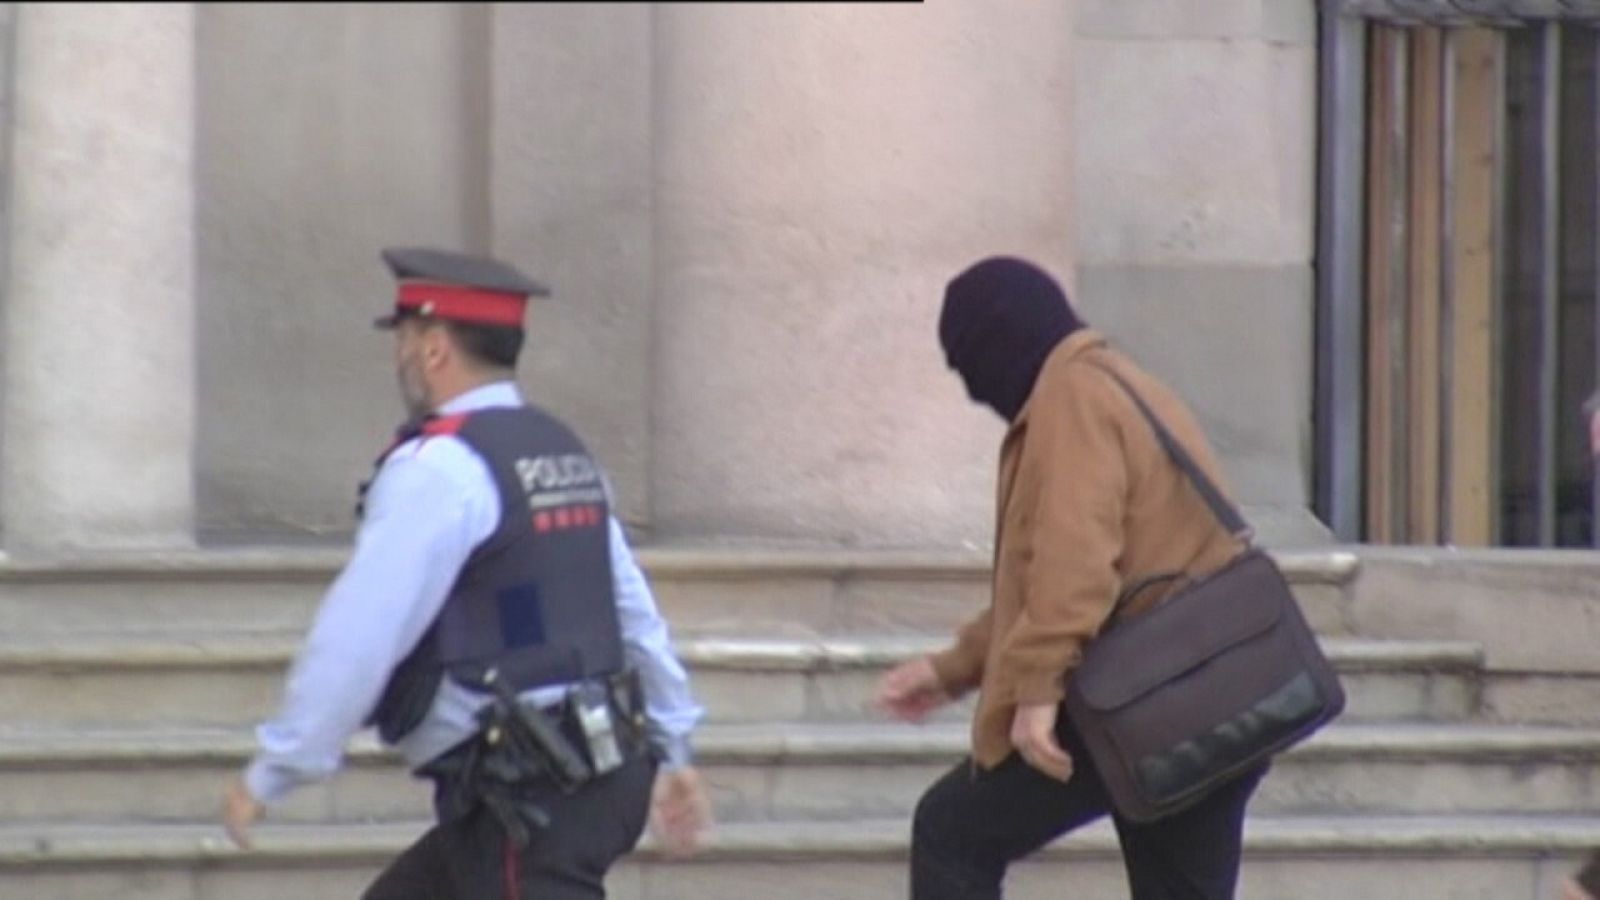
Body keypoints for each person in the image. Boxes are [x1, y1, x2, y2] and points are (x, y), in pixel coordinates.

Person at [221, 247, 711, 899]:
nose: (398, 357)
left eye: (403, 339)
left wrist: (277, 769)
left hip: (526, 801)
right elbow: (632, 610)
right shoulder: (559, 452)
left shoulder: (438, 469)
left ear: (432, 348)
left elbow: (359, 636)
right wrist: (674, 742)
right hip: (591, 776)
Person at [876, 256, 1268, 899]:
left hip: (1140, 698)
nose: (975, 391)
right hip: (1214, 692)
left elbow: (1075, 563)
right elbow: (1053, 577)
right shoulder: (1121, 382)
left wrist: (1037, 693)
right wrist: (952, 669)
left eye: (969, 364)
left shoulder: (1071, 397)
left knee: (952, 831)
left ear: (1002, 342)